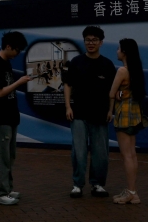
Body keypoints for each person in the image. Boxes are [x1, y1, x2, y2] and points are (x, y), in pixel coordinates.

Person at [62, 26, 116, 198]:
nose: (90, 43)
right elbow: (68, 84)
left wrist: (110, 110)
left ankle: (98, 184)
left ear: (101, 42)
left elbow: (112, 91)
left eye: (94, 40)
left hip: (100, 114)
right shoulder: (77, 62)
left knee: (101, 153)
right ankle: (77, 184)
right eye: (87, 40)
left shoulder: (107, 65)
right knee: (79, 151)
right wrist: (68, 107)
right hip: (78, 113)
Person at [0, 31, 32, 206]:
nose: (18, 54)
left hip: (10, 116)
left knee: (10, 155)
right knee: (1, 156)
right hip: (1, 117)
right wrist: (19, 83)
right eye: (17, 50)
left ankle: (7, 188)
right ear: (8, 46)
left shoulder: (6, 63)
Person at [108, 38, 147, 205]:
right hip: (135, 114)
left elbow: (111, 93)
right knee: (132, 154)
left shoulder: (122, 71)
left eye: (118, 48)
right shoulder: (136, 69)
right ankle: (133, 191)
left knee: (126, 156)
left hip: (123, 114)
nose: (117, 51)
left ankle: (131, 192)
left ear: (124, 52)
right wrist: (121, 94)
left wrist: (118, 95)